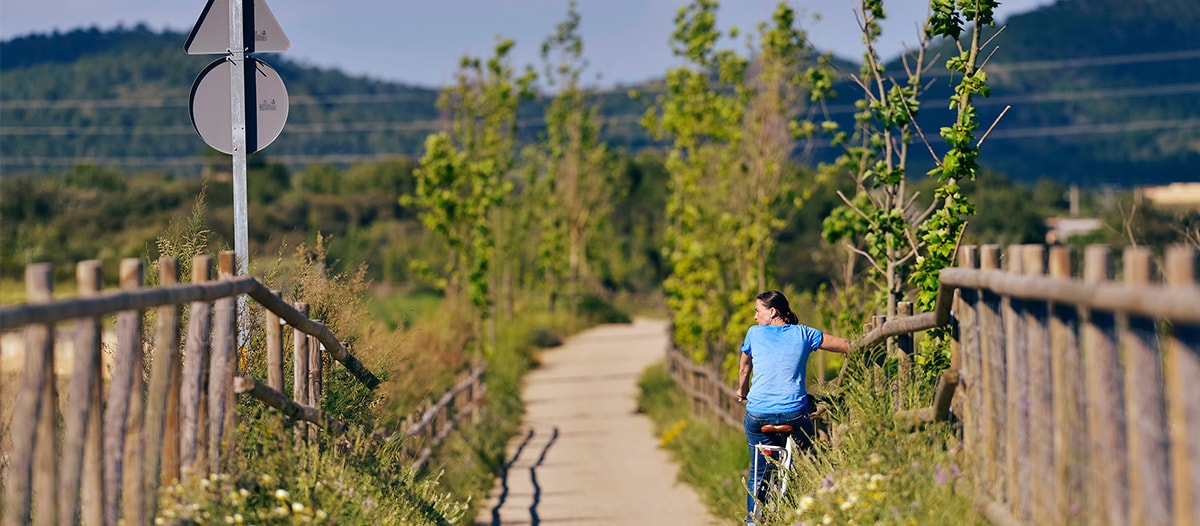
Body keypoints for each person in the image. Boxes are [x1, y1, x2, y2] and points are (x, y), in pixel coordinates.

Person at [735, 290, 851, 523]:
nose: (755, 317)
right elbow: (847, 345)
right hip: (795, 413)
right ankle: (810, 490)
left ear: (773, 312)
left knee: (758, 472)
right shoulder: (805, 333)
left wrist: (743, 390)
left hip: (759, 414)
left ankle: (752, 522)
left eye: (758, 311)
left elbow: (744, 368)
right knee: (813, 450)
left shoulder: (753, 334)